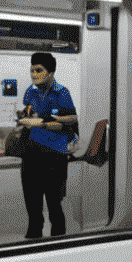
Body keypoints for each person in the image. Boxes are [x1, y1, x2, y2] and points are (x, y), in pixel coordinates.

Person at [17, 52, 77, 238]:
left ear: (50, 73)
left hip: (54, 157)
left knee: (54, 206)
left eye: (39, 70)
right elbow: (28, 114)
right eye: (32, 70)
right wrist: (24, 118)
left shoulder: (62, 92)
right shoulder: (30, 91)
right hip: (31, 155)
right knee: (33, 206)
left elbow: (67, 122)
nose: (34, 74)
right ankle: (33, 239)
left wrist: (42, 123)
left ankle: (57, 244)